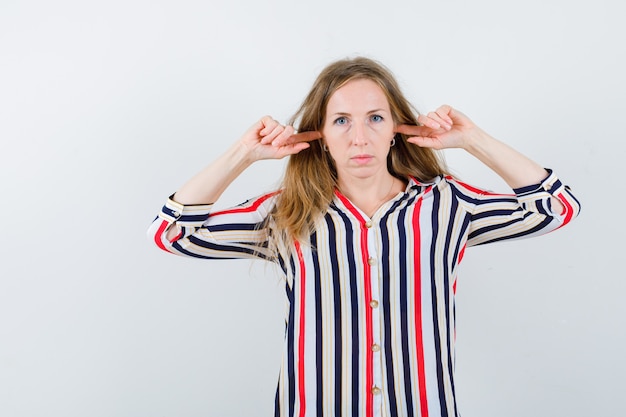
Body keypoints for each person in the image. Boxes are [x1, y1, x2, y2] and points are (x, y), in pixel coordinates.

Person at [148, 57, 580, 417]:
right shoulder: (286, 213)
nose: (360, 138)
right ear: (318, 135)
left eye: (375, 118)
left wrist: (473, 141)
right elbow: (171, 233)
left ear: (396, 128)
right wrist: (243, 153)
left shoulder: (448, 205)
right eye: (341, 121)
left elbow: (557, 208)